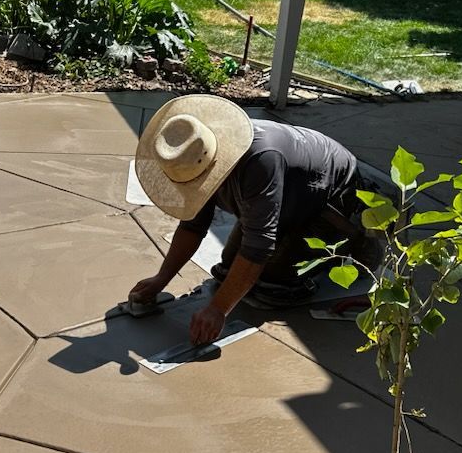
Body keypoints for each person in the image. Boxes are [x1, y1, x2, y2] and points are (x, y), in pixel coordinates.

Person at [129, 95, 364, 346]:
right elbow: (193, 225)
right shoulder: (197, 159)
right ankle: (287, 234)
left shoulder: (259, 160)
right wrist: (161, 278)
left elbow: (258, 247)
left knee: (272, 288)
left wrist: (218, 309)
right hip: (287, 195)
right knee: (228, 272)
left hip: (330, 198)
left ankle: (356, 242)